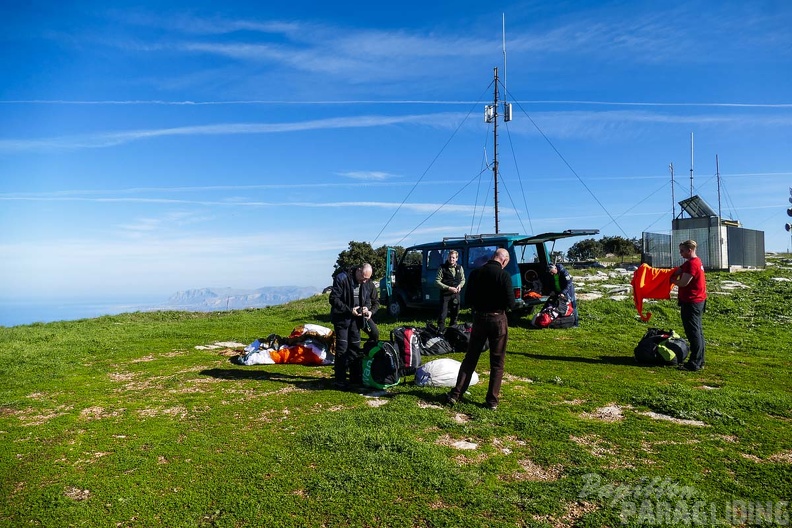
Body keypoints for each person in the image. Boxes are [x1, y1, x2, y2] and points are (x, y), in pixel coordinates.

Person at [445, 248, 516, 410]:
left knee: (471, 358)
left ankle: (456, 394)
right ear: (504, 261)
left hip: (479, 319)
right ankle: (492, 401)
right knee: (497, 362)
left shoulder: (476, 273)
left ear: (493, 257)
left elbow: (468, 299)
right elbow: (511, 304)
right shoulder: (504, 275)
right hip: (498, 319)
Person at [329, 263, 380, 390]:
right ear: (358, 270)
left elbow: (374, 301)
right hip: (342, 319)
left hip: (357, 320)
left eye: (367, 278)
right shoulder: (342, 278)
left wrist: (369, 311)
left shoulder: (367, 283)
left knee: (354, 347)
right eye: (363, 277)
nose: (364, 280)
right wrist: (349, 310)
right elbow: (333, 299)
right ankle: (340, 380)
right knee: (342, 348)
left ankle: (354, 377)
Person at [671, 240, 707, 372]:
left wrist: (672, 281)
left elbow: (684, 282)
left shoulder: (693, 264)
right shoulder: (692, 262)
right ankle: (700, 360)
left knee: (693, 332)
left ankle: (695, 363)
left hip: (692, 301)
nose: (680, 253)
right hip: (697, 300)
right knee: (698, 331)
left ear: (690, 250)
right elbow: (678, 270)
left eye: (682, 251)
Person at [435, 250, 465, 332]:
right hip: (445, 295)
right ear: (447, 257)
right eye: (450, 257)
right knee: (442, 314)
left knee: (455, 314)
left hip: (456, 295)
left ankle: (453, 331)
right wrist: (448, 288)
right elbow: (437, 282)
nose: (451, 259)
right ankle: (440, 331)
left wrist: (460, 286)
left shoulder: (460, 268)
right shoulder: (442, 268)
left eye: (453, 258)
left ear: (456, 259)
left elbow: (463, 280)